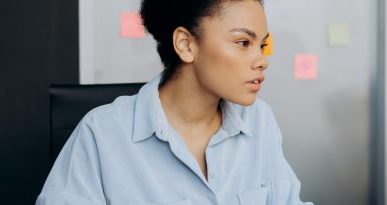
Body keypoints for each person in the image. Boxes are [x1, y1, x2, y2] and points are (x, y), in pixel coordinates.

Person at [36, 0, 314, 204]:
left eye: (262, 45)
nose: (262, 60)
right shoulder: (102, 132)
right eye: (243, 42)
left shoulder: (259, 120)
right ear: (186, 44)